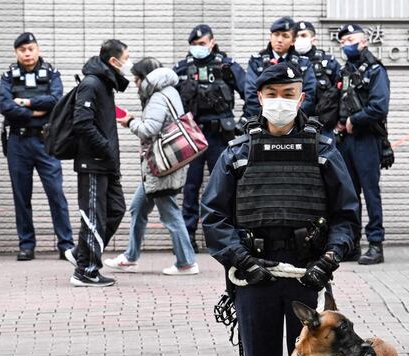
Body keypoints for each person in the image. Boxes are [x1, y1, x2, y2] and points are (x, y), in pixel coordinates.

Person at [201, 62, 358, 356]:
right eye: (273, 94)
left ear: (301, 97)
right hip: (255, 278)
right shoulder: (237, 151)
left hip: (307, 275)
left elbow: (346, 213)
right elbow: (213, 216)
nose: (281, 102)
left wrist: (329, 259)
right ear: (259, 98)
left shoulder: (323, 148)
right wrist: (240, 259)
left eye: (289, 93)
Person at [105, 59, 199, 276]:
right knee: (138, 208)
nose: (136, 84)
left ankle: (186, 262)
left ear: (146, 78)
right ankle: (130, 257)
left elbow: (149, 130)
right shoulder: (169, 91)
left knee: (170, 214)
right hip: (161, 166)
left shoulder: (157, 97)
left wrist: (129, 121)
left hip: (160, 167)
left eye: (137, 79)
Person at [0, 32, 73, 261]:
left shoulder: (51, 74)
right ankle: (26, 245)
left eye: (31, 49)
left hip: (45, 141)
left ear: (38, 49)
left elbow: (57, 100)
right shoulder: (9, 75)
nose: (27, 53)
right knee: (22, 196)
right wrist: (36, 112)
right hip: (18, 142)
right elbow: (5, 106)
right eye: (22, 50)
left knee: (56, 193)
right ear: (16, 53)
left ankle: (66, 244)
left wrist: (26, 102)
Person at [173, 24, 246, 252]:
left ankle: (229, 236)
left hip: (220, 136)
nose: (198, 48)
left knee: (225, 185)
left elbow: (251, 93)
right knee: (191, 187)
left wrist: (242, 123)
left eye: (202, 44)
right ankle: (189, 239)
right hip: (192, 137)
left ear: (212, 42)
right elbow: (170, 100)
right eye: (194, 45)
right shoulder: (182, 68)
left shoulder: (226, 66)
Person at [69, 39, 131, 287]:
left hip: (106, 163)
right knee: (93, 217)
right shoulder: (92, 83)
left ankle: (81, 255)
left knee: (116, 209)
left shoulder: (105, 84)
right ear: (113, 61)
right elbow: (82, 123)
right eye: (126, 59)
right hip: (93, 163)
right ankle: (86, 271)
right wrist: (105, 149)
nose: (127, 63)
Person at [335, 24, 391, 264]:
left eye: (351, 39)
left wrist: (353, 120)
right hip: (345, 140)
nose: (347, 44)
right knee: (350, 194)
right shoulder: (344, 71)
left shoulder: (376, 70)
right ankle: (353, 244)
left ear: (364, 41)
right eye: (343, 41)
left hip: (367, 138)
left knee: (370, 193)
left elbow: (379, 106)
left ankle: (376, 244)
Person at [242, 16, 316, 119]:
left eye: (285, 36)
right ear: (270, 37)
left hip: (294, 120)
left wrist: (292, 119)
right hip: (261, 120)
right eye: (276, 35)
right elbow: (251, 94)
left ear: (293, 40)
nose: (279, 40)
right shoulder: (257, 62)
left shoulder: (303, 63)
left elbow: (308, 96)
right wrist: (266, 120)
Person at [293, 21, 341, 138]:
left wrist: (341, 120)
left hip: (324, 126)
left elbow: (342, 91)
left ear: (313, 40)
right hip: (295, 125)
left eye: (303, 36)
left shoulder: (328, 62)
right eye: (296, 36)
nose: (299, 39)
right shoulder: (287, 62)